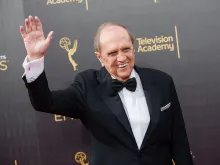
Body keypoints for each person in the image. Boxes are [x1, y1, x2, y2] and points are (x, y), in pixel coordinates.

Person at [20, 15, 194, 165]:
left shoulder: (162, 82)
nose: (121, 58)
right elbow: (44, 102)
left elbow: (179, 140)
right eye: (112, 53)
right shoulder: (87, 85)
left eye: (126, 49)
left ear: (133, 47)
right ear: (100, 57)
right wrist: (35, 59)